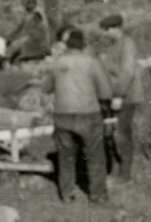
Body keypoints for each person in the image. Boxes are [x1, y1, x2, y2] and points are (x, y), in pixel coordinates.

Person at [43, 27, 113, 204]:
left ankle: (67, 194)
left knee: (65, 156)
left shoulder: (57, 62)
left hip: (63, 116)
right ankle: (97, 194)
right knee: (95, 155)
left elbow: (46, 88)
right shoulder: (91, 61)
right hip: (88, 114)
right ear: (83, 45)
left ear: (66, 45)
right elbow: (106, 93)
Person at [98, 13, 143, 183]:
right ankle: (114, 170)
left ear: (116, 28)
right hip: (113, 95)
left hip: (127, 96)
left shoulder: (127, 44)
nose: (104, 33)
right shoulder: (112, 45)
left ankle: (125, 174)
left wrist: (118, 95)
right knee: (109, 133)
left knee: (121, 133)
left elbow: (127, 72)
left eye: (107, 29)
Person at [6, 0, 51, 65]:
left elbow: (39, 28)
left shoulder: (37, 13)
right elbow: (19, 29)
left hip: (36, 43)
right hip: (33, 41)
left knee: (14, 48)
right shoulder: (31, 15)